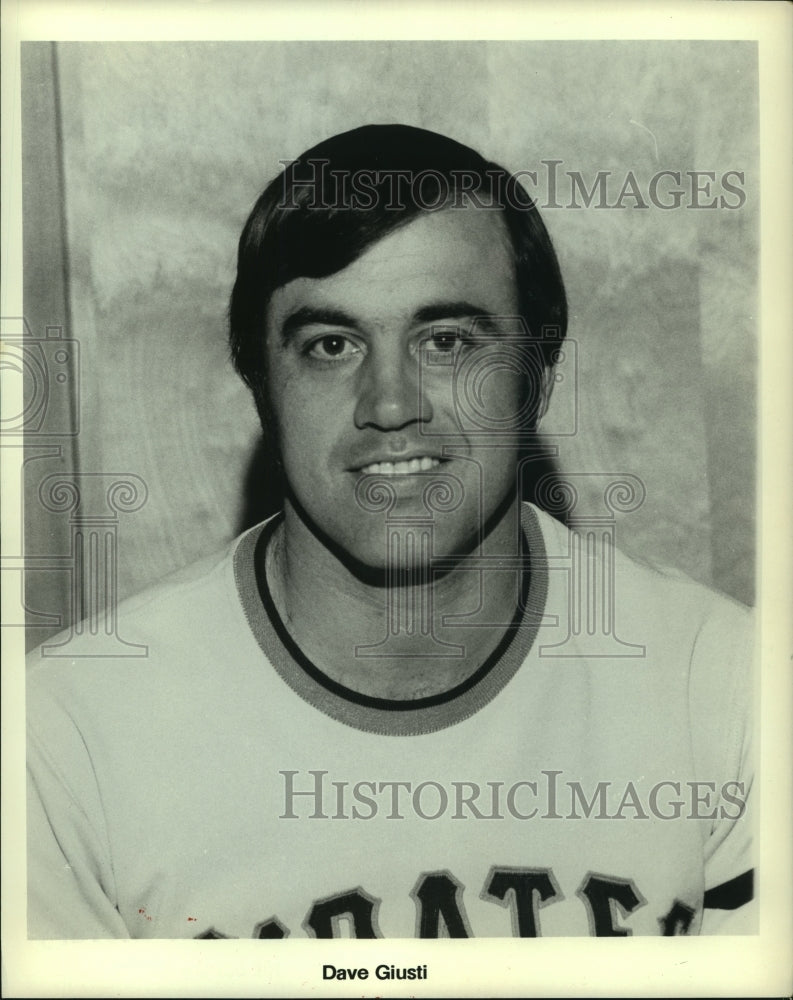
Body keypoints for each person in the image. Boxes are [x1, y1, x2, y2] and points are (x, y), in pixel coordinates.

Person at [26, 124, 754, 939]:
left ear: (537, 375)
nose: (388, 403)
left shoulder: (728, 687)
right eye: (330, 346)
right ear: (259, 382)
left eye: (445, 341)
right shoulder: (63, 736)